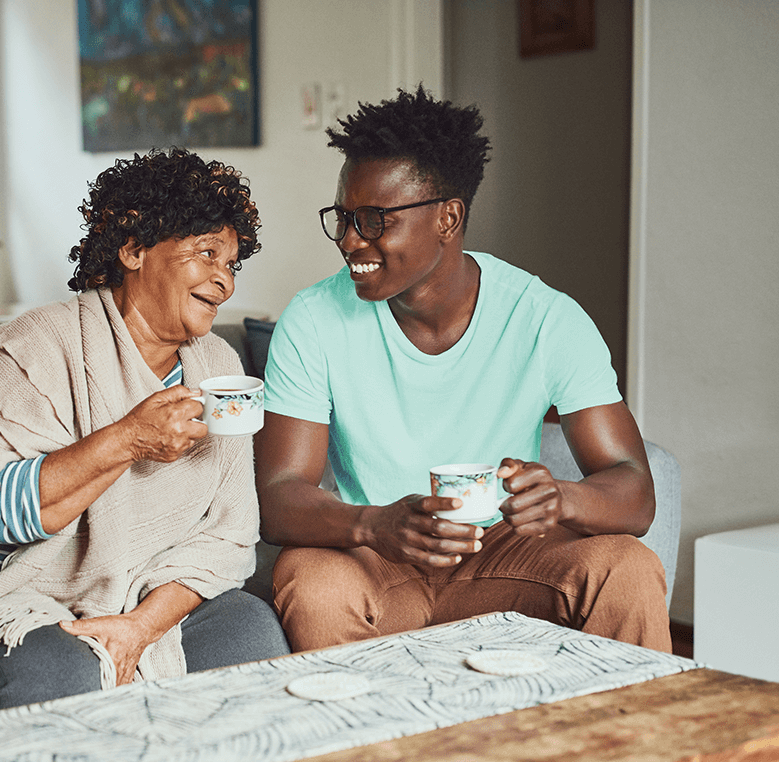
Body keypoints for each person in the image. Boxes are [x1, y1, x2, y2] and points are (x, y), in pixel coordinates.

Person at [255, 86, 671, 653]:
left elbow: (635, 491)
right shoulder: (313, 319)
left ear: (448, 218)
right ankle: (372, 744)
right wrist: (373, 525)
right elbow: (280, 496)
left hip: (503, 554)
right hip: (375, 556)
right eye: (345, 217)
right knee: (312, 579)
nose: (351, 240)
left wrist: (563, 500)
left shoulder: (544, 317)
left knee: (626, 567)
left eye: (375, 219)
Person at [0, 147, 290, 711]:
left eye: (231, 264)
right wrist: (127, 438)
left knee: (250, 629)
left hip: (132, 587)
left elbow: (229, 535)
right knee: (61, 668)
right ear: (133, 249)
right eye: (206, 255)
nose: (223, 282)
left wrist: (139, 626)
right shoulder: (40, 346)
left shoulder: (219, 367)